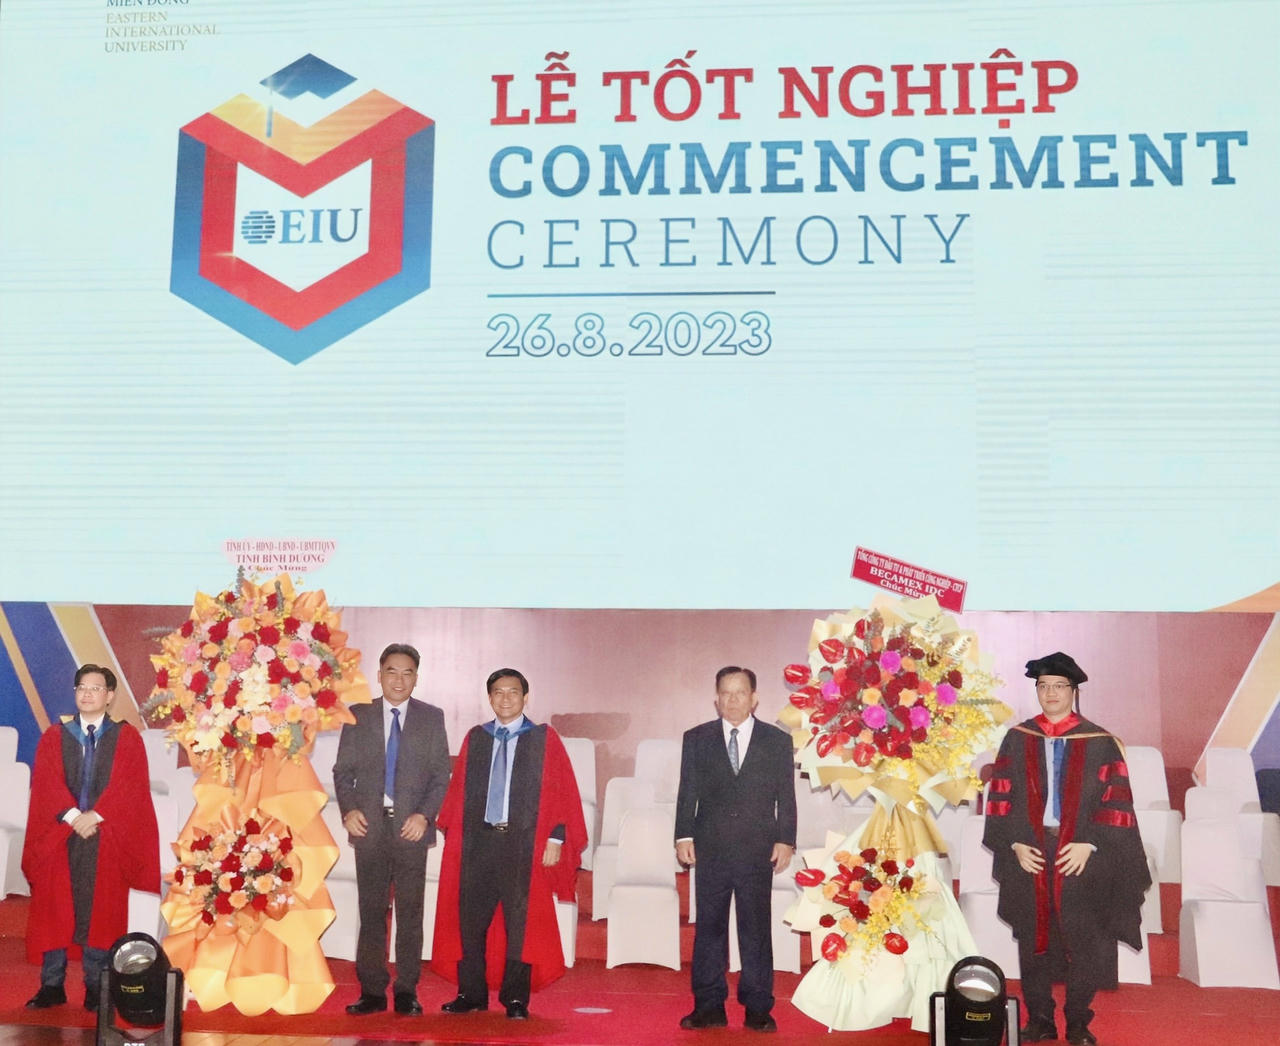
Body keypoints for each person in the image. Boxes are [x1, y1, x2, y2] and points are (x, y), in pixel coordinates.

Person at [983, 652, 1150, 1046]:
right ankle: (1040, 1018)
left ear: (1074, 691)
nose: (1051, 693)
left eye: (1059, 686)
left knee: (1085, 939)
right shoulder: (1018, 738)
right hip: (1031, 849)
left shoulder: (1099, 742)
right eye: (1044, 686)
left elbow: (1116, 801)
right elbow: (1001, 798)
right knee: (1033, 939)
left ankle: (1077, 1021)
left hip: (1081, 853)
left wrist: (1090, 844)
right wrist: (1015, 843)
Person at [431, 668, 586, 1020]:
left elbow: (562, 793)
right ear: (489, 698)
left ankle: (516, 999)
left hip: (523, 845)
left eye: (513, 692)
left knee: (521, 923)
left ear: (525, 697)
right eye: (498, 692)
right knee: (470, 921)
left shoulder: (544, 739)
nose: (505, 699)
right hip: (478, 843)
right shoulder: (477, 738)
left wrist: (555, 838)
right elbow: (458, 794)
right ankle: (471, 993)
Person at [23, 663, 160, 1012]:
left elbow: (129, 786)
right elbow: (46, 783)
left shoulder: (127, 737)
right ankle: (51, 985)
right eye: (81, 688)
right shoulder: (55, 736)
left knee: (101, 912)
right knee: (54, 909)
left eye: (95, 688)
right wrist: (72, 816)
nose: (87, 694)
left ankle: (96, 987)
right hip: (60, 833)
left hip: (105, 834)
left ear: (110, 696)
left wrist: (94, 816)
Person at [675, 666, 797, 1033]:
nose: (732, 700)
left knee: (756, 930)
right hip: (709, 848)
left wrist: (786, 839)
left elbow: (786, 796)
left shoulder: (776, 741)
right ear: (716, 699)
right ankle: (709, 1005)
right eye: (725, 693)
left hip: (757, 849)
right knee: (709, 929)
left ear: (754, 698)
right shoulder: (697, 738)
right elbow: (687, 791)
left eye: (740, 693)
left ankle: (758, 1007)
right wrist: (683, 836)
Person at [334, 642, 451, 1016]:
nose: (399, 680)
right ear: (380, 674)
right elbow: (342, 773)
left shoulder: (431, 718)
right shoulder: (359, 715)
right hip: (369, 827)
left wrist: (424, 816)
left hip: (411, 829)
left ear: (416, 678)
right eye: (392, 672)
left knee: (410, 913)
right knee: (371, 912)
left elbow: (440, 776)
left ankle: (406, 990)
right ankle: (371, 991)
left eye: (407, 673)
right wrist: (349, 810)